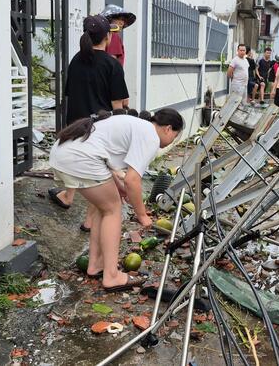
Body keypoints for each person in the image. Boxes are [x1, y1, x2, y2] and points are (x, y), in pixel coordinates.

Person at [49, 109, 184, 290]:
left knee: (101, 207)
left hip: (63, 153)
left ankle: (95, 265)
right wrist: (142, 215)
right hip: (80, 159)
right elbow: (132, 180)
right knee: (113, 210)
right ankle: (111, 276)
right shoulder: (151, 137)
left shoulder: (138, 125)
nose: (171, 142)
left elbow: (109, 161)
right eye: (174, 137)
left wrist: (119, 188)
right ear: (168, 129)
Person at [49, 15, 130, 218]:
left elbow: (70, 93)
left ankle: (68, 196)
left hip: (75, 124)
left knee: (79, 163)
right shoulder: (112, 65)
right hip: (99, 127)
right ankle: (89, 222)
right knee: (99, 174)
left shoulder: (76, 60)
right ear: (107, 38)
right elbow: (118, 106)